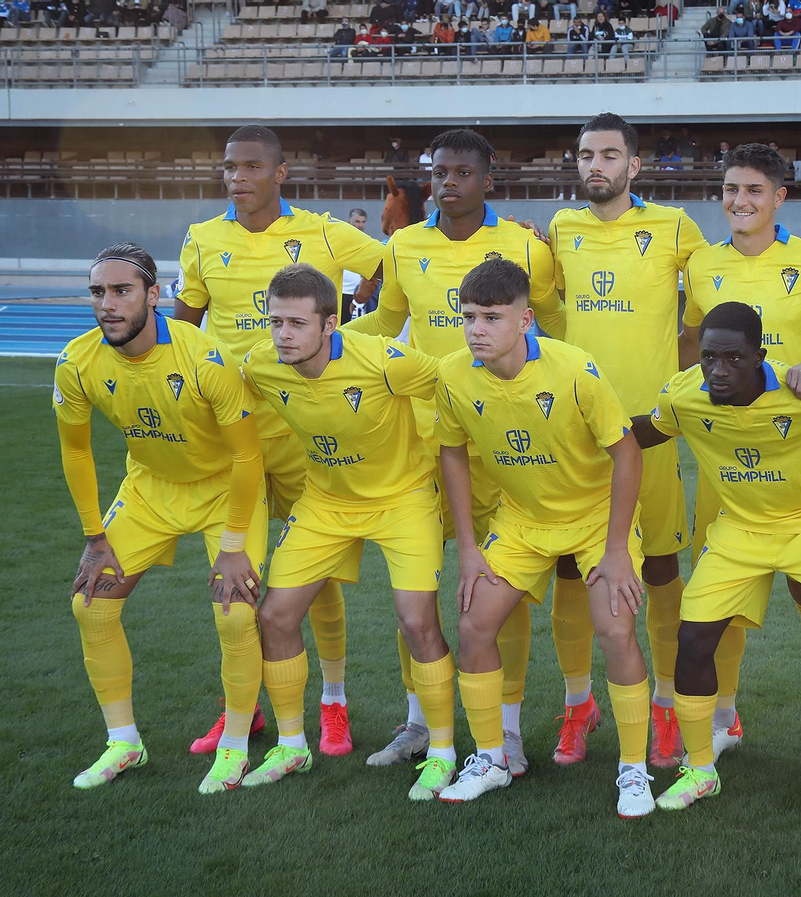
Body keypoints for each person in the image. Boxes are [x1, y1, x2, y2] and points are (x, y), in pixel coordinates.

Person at [344, 128, 559, 772]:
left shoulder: (524, 244)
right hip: (419, 435)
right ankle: (419, 720)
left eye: (462, 173)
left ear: (487, 180)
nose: (448, 183)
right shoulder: (404, 243)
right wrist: (319, 339)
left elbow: (553, 323)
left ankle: (508, 729)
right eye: (439, 172)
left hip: (500, 436)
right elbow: (385, 326)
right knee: (418, 583)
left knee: (498, 582)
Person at [173, 125, 384, 758]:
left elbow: (394, 267)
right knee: (231, 580)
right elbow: (184, 325)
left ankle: (334, 703)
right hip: (230, 435)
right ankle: (242, 707)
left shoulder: (322, 232)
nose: (237, 176)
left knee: (309, 578)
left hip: (302, 435)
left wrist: (355, 326)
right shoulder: (204, 240)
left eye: (251, 166)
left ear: (280, 173)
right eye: (230, 166)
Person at [635, 303, 801, 832]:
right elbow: (644, 432)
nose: (719, 370)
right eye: (709, 358)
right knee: (694, 637)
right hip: (740, 529)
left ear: (759, 357)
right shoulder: (684, 395)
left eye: (733, 358)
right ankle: (701, 767)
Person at [431, 259, 654, 816]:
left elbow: (626, 452)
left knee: (616, 627)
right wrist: (467, 545)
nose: (476, 329)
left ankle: (634, 770)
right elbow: (452, 453)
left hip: (596, 519)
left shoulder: (574, 369)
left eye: (490, 317)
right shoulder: (454, 375)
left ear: (526, 319)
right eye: (467, 317)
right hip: (522, 522)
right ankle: (490, 758)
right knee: (474, 624)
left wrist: (616, 549)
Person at [55, 243, 269, 795]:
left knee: (234, 612)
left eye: (122, 290)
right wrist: (94, 535)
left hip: (225, 488)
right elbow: (76, 453)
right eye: (98, 292)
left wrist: (235, 542)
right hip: (150, 488)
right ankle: (124, 742)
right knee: (90, 603)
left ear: (154, 294)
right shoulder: (76, 361)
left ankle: (235, 746)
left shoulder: (206, 359)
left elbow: (248, 456)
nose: (108, 304)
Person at [236, 265, 454, 800]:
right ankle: (291, 745)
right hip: (327, 501)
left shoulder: (383, 359)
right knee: (274, 615)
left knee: (416, 620)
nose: (282, 334)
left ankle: (444, 752)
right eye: (274, 321)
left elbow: (458, 382)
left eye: (295, 323)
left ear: (331, 323)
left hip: (403, 497)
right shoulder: (262, 365)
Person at [546, 113, 710, 769]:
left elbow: (700, 316)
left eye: (610, 154)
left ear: (634, 166)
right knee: (569, 563)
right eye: (587, 154)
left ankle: (666, 707)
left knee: (662, 564)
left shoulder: (675, 227)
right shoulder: (559, 229)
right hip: (577, 430)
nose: (597, 165)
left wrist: (678, 390)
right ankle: (578, 704)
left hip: (652, 428)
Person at [680, 142, 801, 768]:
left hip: (798, 462)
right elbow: (695, 342)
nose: (739, 201)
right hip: (724, 463)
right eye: (730, 189)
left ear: (780, 197)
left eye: (754, 190)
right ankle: (723, 718)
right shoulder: (700, 264)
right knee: (716, 598)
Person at [338, 207, 373, 322]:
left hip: (358, 294)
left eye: (363, 222)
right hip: (342, 293)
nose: (360, 225)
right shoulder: (341, 240)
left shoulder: (368, 242)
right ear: (350, 221)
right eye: (357, 221)